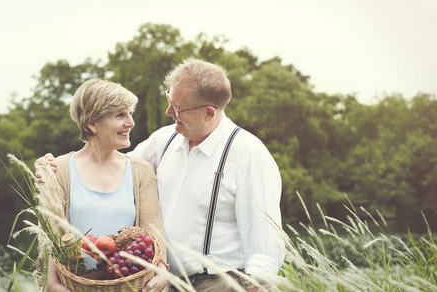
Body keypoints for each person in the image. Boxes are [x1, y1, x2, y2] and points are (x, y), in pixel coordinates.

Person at [129, 59, 285, 291]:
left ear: (209, 112)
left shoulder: (248, 153)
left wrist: (256, 283)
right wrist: (61, 165)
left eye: (178, 108)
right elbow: (119, 170)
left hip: (218, 283)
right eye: (169, 101)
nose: (168, 112)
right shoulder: (164, 139)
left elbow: (264, 238)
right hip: (163, 282)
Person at [34, 78, 168, 292]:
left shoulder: (140, 171)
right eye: (120, 115)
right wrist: (52, 284)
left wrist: (162, 271)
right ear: (91, 123)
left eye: (130, 113)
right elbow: (50, 238)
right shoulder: (59, 170)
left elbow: (154, 234)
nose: (131, 122)